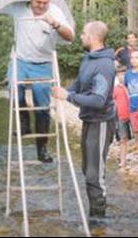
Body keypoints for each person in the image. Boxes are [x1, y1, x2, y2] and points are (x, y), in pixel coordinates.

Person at [2, 0, 75, 163]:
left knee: (42, 106)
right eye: (38, 2)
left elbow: (70, 37)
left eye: (45, 2)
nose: (41, 6)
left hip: (43, 63)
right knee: (13, 87)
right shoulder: (19, 8)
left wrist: (55, 24)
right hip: (20, 60)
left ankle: (41, 149)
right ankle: (24, 124)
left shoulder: (54, 11)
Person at [52, 21, 116, 219]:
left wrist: (68, 97)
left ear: (94, 37)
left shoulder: (105, 65)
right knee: (87, 170)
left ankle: (99, 220)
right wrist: (62, 91)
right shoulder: (88, 59)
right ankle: (93, 215)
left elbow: (98, 100)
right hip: (89, 120)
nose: (80, 36)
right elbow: (79, 83)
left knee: (94, 175)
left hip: (101, 121)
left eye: (83, 33)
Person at [113, 65, 132, 171]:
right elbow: (112, 102)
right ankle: (123, 160)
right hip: (121, 116)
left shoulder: (131, 86)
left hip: (133, 114)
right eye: (119, 74)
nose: (121, 76)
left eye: (124, 74)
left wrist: (125, 88)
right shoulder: (115, 89)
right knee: (122, 139)